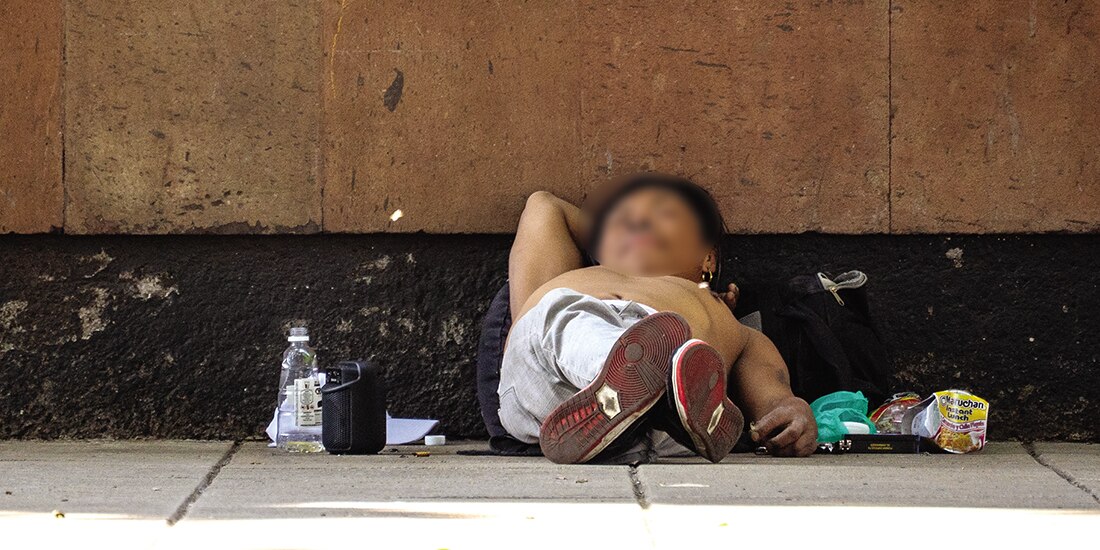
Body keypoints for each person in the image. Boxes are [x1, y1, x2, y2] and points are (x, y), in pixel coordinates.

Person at [498, 172, 817, 464]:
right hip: (552, 381)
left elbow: (775, 398)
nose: (637, 222)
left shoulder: (729, 322)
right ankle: (635, 379)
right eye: (622, 219)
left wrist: (791, 416)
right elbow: (544, 205)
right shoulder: (582, 279)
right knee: (562, 310)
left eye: (664, 213)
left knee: (682, 360)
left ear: (708, 257)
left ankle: (645, 398)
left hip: (658, 430)